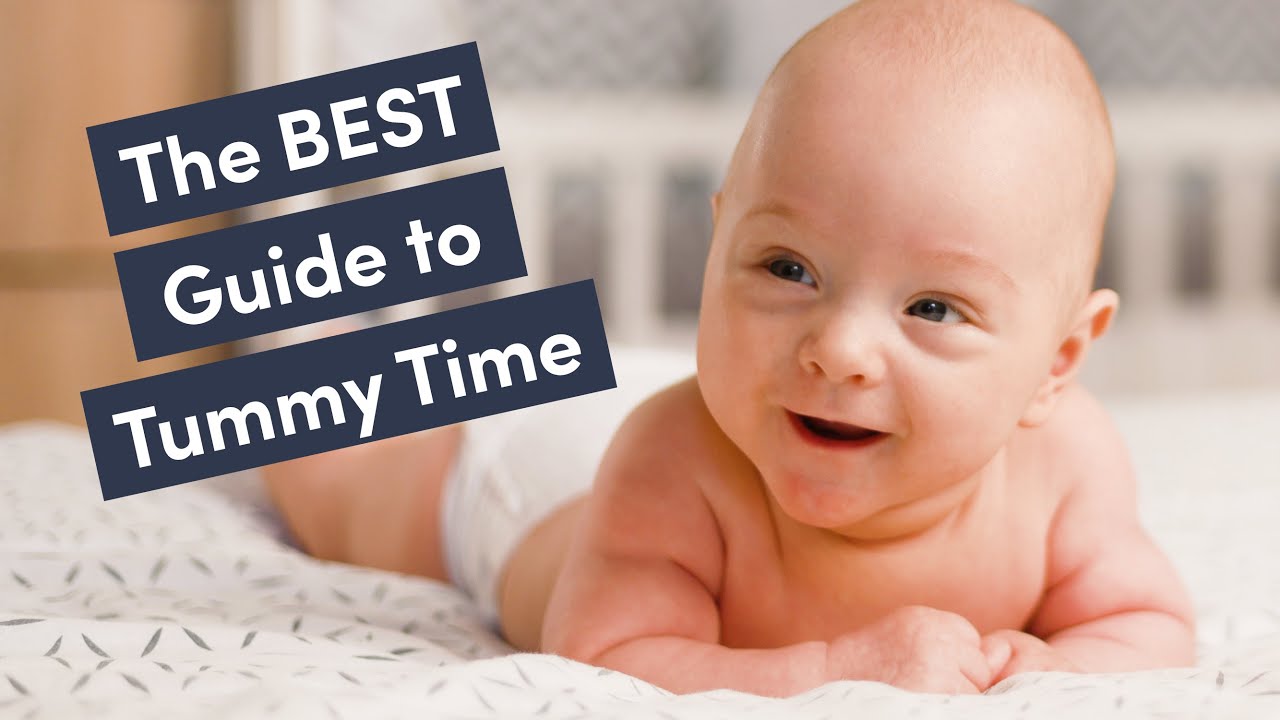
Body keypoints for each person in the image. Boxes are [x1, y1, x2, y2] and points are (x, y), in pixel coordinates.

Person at [265, 0, 1195, 697]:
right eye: (788, 267)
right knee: (352, 485)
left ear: (1058, 365)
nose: (839, 350)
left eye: (934, 309)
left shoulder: (1065, 467)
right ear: (720, 248)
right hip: (537, 486)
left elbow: (1145, 622)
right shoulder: (673, 464)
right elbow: (607, 661)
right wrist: (840, 672)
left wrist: (1048, 672)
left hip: (649, 393)